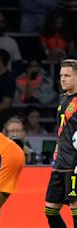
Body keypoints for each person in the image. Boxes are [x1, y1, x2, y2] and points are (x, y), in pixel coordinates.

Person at [45, 59, 77, 227]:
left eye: (67, 76)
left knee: (75, 209)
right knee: (50, 211)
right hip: (60, 164)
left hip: (74, 164)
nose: (63, 79)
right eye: (61, 75)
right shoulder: (63, 99)